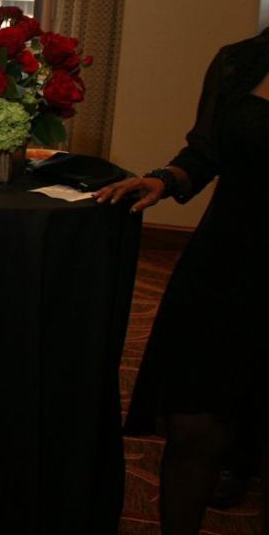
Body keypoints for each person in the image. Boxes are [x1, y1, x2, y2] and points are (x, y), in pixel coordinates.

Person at [95, 27, 269, 535]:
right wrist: (166, 179)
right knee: (195, 428)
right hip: (225, 265)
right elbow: (206, 151)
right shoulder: (239, 61)